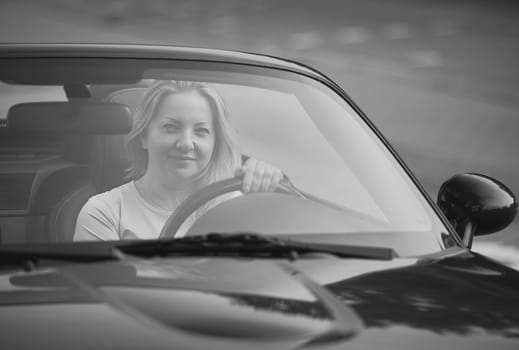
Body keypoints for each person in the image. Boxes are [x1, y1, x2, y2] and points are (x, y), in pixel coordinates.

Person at [74, 80, 283, 241]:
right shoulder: (104, 212)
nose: (186, 143)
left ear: (215, 144)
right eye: (171, 128)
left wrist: (266, 197)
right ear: (143, 137)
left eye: (201, 131)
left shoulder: (237, 206)